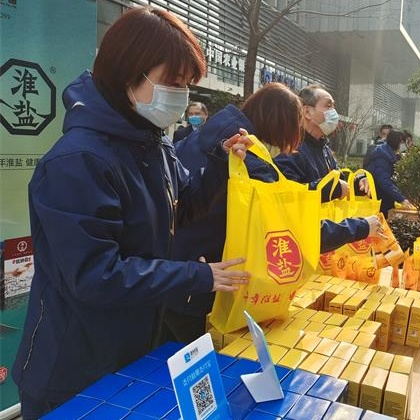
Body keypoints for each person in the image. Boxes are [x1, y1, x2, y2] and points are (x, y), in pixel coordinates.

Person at [12, 8, 252, 419]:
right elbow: (95, 275)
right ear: (128, 73)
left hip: (129, 352)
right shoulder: (79, 161)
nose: (181, 96)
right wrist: (196, 276)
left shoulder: (151, 145)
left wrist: (218, 161)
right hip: (72, 370)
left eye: (187, 85)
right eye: (172, 82)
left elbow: (184, 205)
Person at [164, 83, 382, 343]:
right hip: (204, 285)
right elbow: (291, 230)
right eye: (295, 125)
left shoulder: (206, 138)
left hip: (177, 271)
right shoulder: (247, 155)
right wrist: (359, 227)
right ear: (280, 122)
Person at [275, 85, 369, 200]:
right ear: (307, 112)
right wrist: (328, 190)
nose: (334, 112)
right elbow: (285, 195)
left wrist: (357, 184)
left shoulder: (323, 148)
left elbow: (339, 182)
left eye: (333, 107)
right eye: (328, 106)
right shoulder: (290, 148)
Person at [364, 130, 412, 216]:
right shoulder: (382, 157)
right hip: (379, 197)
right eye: (404, 143)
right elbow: (384, 182)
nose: (405, 146)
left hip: (384, 195)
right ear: (399, 142)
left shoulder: (390, 154)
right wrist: (401, 199)